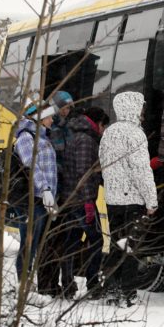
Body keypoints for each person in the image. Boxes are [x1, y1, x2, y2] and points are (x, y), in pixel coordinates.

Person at [99, 91, 158, 306]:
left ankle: (110, 289)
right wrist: (151, 201)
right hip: (133, 199)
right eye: (140, 107)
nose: (143, 111)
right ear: (133, 108)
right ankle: (128, 292)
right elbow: (141, 170)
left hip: (112, 198)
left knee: (116, 244)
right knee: (131, 247)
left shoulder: (109, 132)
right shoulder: (135, 134)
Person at [58, 106, 110, 298]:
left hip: (70, 198)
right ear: (98, 123)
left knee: (71, 241)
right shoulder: (86, 141)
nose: (103, 132)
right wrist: (89, 201)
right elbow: (84, 173)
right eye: (103, 127)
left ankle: (67, 284)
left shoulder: (76, 135)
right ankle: (93, 283)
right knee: (96, 240)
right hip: (80, 200)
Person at [9, 102, 59, 286]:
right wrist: (45, 188)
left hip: (42, 199)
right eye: (49, 116)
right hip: (30, 199)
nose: (52, 120)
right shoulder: (25, 137)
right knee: (28, 242)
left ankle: (29, 282)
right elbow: (31, 166)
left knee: (36, 242)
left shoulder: (42, 137)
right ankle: (23, 283)